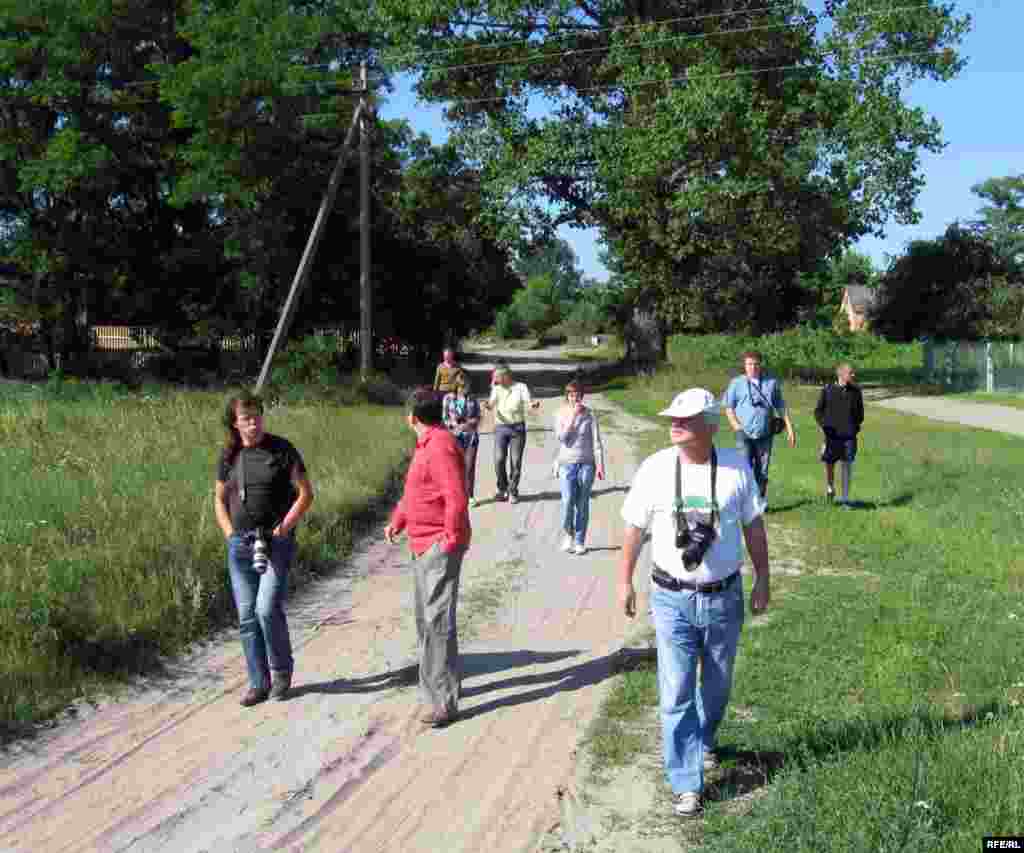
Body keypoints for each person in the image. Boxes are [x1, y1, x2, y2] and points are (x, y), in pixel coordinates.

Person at [618, 388, 770, 818]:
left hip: (724, 597)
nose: (675, 424)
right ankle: (686, 781)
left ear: (710, 425)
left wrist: (763, 578)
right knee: (676, 690)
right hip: (671, 598)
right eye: (673, 418)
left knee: (717, 687)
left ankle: (703, 739)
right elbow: (633, 529)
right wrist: (624, 581)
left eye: (685, 419)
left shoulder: (736, 467)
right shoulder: (655, 468)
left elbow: (754, 526)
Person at [215, 390, 314, 707]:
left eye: (257, 416)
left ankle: (281, 672)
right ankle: (258, 683)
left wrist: (285, 527)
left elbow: (306, 493)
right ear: (235, 423)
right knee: (247, 616)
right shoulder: (229, 455)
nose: (254, 423)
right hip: (241, 545)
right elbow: (219, 499)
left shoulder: (282, 450)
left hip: (276, 543)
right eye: (246, 418)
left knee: (266, 609)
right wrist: (230, 534)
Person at [384, 388, 471, 727]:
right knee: (426, 620)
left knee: (437, 622)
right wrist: (398, 521)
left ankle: (443, 702)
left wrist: (450, 538)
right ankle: (436, 690)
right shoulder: (426, 445)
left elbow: (456, 496)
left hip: (438, 544)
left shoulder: (440, 446)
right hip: (421, 543)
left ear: (412, 417)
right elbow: (414, 493)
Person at [723, 350, 795, 502]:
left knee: (762, 469)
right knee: (744, 468)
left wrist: (790, 428)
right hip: (744, 433)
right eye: (749, 364)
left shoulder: (771, 383)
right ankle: (743, 502)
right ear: (744, 365)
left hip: (765, 433)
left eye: (756, 364)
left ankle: (759, 502)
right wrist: (737, 427)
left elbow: (781, 406)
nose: (753, 367)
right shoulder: (736, 383)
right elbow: (728, 407)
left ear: (760, 365)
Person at [554, 380, 605, 554]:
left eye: (577, 395)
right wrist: (573, 417)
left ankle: (579, 540)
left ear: (582, 396)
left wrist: (600, 465)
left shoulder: (590, 414)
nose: (574, 398)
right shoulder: (560, 413)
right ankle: (568, 534)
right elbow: (562, 438)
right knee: (568, 501)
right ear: (567, 396)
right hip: (566, 463)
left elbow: (596, 441)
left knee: (582, 503)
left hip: (587, 464)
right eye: (571, 395)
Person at [481, 364, 541, 504]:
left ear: (505, 376)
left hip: (517, 429)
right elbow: (491, 404)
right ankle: (502, 489)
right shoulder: (496, 388)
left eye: (496, 377)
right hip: (501, 428)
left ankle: (513, 491)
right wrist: (487, 405)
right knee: (499, 459)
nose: (494, 379)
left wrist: (533, 404)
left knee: (516, 461)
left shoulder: (521, 387)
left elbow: (528, 402)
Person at [814, 363, 865, 507]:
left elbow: (860, 414)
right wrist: (824, 427)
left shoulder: (856, 391)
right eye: (851, 373)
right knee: (830, 463)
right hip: (831, 435)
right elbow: (818, 411)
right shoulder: (828, 390)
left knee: (847, 464)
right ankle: (830, 487)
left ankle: (845, 498)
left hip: (849, 436)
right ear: (841, 375)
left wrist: (854, 427)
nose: (853, 375)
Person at [443, 377, 482, 507]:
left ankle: (470, 496)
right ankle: (456, 495)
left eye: (467, 387)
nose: (466, 389)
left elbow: (478, 416)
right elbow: (445, 418)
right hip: (454, 436)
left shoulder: (473, 399)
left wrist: (470, 422)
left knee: (469, 466)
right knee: (455, 467)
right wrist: (454, 424)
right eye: (463, 386)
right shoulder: (448, 398)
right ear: (457, 386)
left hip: (471, 436)